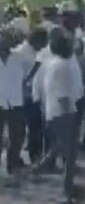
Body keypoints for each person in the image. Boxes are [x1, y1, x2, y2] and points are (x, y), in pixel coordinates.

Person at [38, 33, 83, 203]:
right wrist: (69, 116)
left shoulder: (52, 64)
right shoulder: (63, 66)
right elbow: (63, 95)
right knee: (70, 153)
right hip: (62, 112)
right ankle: (67, 191)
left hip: (53, 111)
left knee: (60, 146)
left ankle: (39, 168)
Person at [15, 28, 49, 164]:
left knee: (34, 127)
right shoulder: (22, 54)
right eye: (44, 42)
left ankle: (33, 152)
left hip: (31, 95)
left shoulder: (33, 51)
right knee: (30, 128)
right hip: (25, 96)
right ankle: (33, 155)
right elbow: (21, 78)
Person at [0, 32, 26, 179]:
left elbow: (28, 74)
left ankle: (13, 165)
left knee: (17, 137)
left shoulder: (18, 58)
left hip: (16, 102)